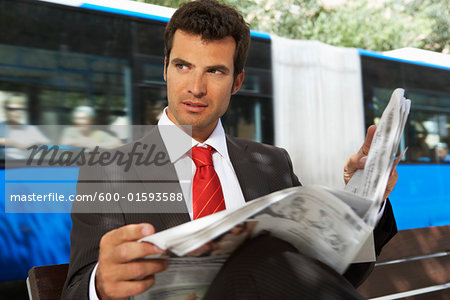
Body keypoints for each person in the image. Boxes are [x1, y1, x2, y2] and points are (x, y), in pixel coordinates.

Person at [62, 1, 398, 299]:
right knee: (256, 257)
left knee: (261, 257)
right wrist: (102, 286)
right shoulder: (109, 169)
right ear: (165, 68)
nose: (196, 87)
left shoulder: (272, 163)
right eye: (183, 66)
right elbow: (77, 290)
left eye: (215, 71)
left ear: (237, 81)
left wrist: (366, 198)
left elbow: (329, 279)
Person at [0, 94, 50, 159]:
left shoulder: (30, 129)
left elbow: (46, 142)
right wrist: (17, 144)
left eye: (19, 109)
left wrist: (31, 145)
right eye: (12, 109)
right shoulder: (1, 127)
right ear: (6, 111)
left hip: (27, 166)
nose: (16, 112)